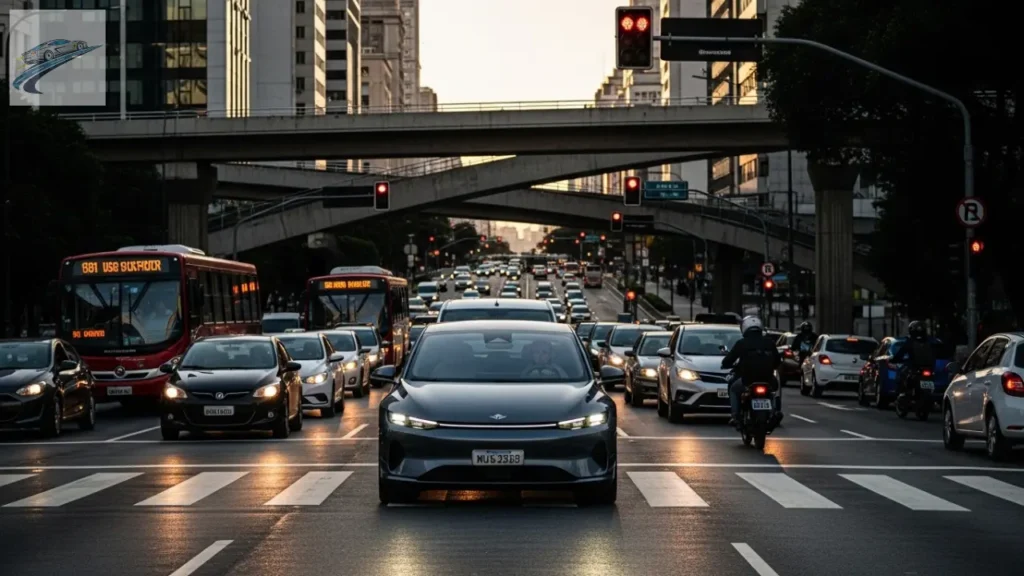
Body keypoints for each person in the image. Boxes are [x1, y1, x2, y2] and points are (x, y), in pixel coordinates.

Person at [721, 316, 781, 427]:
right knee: (773, 391)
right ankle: (774, 411)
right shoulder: (769, 343)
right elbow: (778, 361)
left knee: (733, 389)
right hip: (768, 379)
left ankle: (735, 415)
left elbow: (728, 360)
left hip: (748, 379)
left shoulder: (742, 343)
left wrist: (726, 364)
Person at [890, 320, 937, 400]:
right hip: (929, 367)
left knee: (902, 374)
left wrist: (895, 360)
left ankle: (904, 393)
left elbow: (901, 352)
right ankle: (905, 393)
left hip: (916, 367)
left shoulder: (910, 341)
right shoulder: (930, 341)